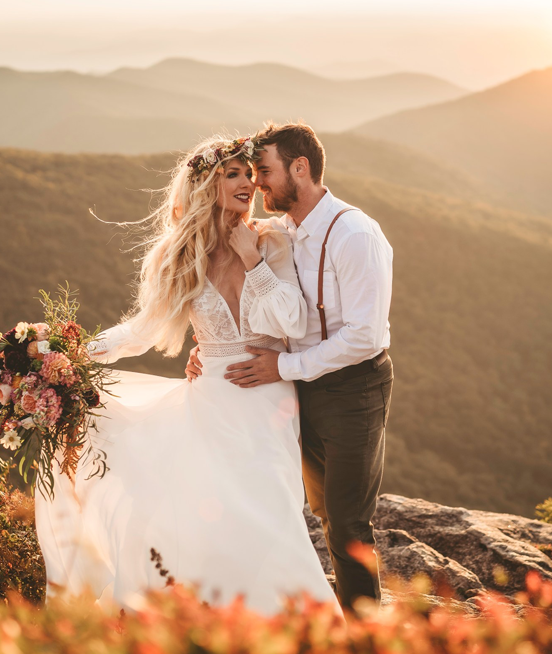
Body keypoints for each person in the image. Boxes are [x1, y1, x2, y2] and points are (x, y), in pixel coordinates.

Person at [33, 133, 340, 616]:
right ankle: (212, 624)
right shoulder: (180, 256)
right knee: (207, 517)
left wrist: (251, 258)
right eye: (231, 175)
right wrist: (70, 355)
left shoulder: (272, 239)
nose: (247, 183)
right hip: (210, 402)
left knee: (270, 514)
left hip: (268, 402)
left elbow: (293, 321)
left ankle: (298, 627)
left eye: (249, 173)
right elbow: (142, 329)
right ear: (204, 188)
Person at [186, 123, 395, 614]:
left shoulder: (355, 234)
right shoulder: (281, 232)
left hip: (353, 386)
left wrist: (284, 366)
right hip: (299, 387)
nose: (257, 185)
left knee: (347, 521)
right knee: (321, 511)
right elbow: (254, 299)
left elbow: (363, 337)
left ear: (300, 169)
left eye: (264, 172)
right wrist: (211, 346)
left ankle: (366, 638)